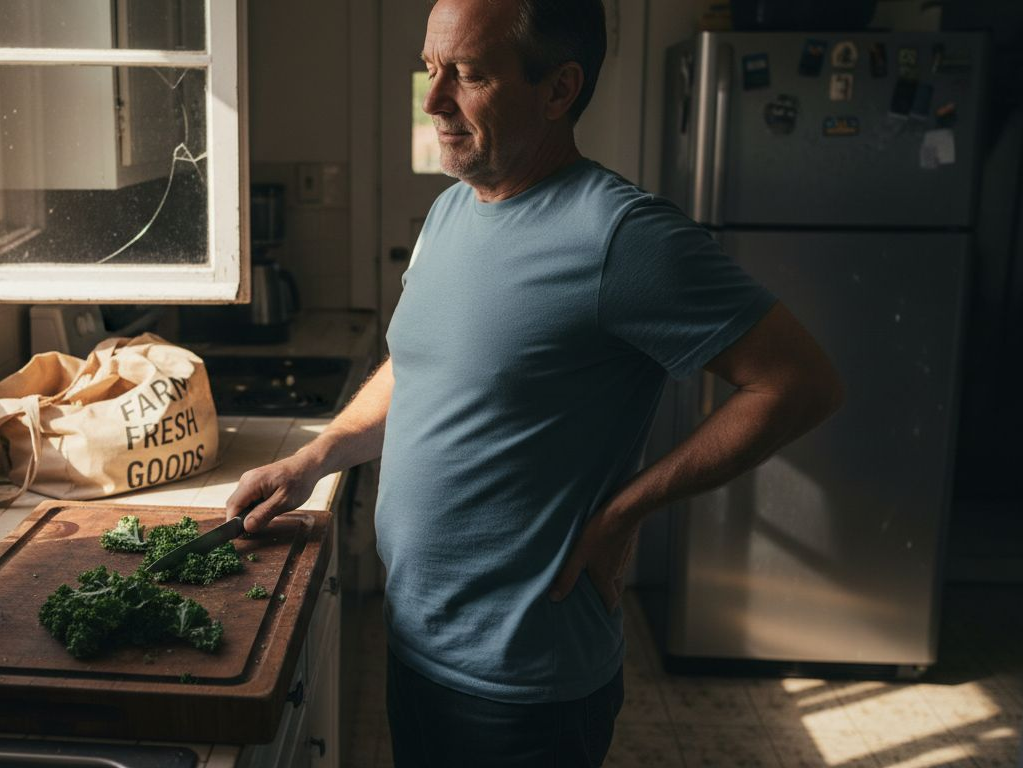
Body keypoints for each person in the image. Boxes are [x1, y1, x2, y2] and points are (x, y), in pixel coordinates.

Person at [223, 0, 844, 764]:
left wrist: (627, 510)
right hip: (417, 645)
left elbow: (800, 383)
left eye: (470, 75)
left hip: (524, 691)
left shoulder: (623, 238)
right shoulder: (451, 211)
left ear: (558, 90)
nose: (433, 100)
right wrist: (314, 457)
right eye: (430, 69)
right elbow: (425, 369)